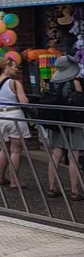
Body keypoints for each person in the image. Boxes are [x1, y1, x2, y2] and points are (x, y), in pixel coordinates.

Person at [43, 55, 84, 200]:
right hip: (72, 123)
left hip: (57, 123)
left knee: (56, 154)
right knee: (74, 156)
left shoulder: (52, 82)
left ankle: (52, 188)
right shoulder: (74, 82)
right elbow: (79, 101)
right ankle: (75, 191)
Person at [0, 58, 30, 190]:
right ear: (6, 67)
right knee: (16, 150)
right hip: (14, 115)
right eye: (14, 66)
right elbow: (23, 101)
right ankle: (14, 180)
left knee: (4, 148)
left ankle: (0, 176)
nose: (16, 69)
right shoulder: (15, 83)